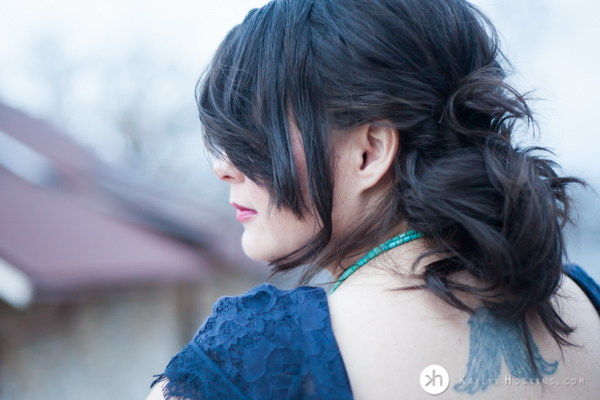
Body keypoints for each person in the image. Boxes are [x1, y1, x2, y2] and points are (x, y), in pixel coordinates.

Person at [147, 0, 600, 398]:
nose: (223, 166)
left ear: (369, 152)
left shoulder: (253, 358)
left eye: (254, 138)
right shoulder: (585, 300)